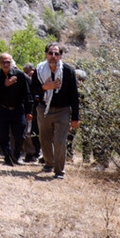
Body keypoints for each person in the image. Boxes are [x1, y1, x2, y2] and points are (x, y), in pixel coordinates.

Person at [32, 43, 80, 179]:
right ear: (46, 54)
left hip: (63, 111)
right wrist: (45, 87)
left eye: (56, 54)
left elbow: (74, 96)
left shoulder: (68, 71)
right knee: (45, 139)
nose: (53, 56)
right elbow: (32, 90)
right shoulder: (39, 70)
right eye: (50, 53)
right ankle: (49, 163)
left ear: (60, 56)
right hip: (44, 109)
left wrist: (75, 118)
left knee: (60, 141)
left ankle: (59, 171)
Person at [0, 53, 33, 166]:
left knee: (20, 135)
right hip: (3, 109)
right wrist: (5, 85)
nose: (5, 64)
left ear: (11, 62)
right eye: (3, 62)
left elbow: (27, 94)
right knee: (2, 135)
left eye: (7, 62)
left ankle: (17, 156)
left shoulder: (20, 75)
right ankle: (7, 157)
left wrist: (29, 111)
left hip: (18, 109)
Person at [22, 63, 42, 163]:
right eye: (24, 72)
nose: (26, 74)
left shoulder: (39, 80)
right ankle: (30, 153)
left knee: (38, 133)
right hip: (30, 111)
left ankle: (37, 153)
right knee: (29, 132)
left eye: (27, 72)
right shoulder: (25, 82)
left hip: (40, 111)